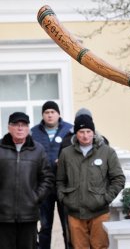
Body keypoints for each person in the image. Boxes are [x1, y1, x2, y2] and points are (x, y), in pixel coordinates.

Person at [57, 114, 125, 249]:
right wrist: (65, 199)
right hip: (75, 212)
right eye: (81, 132)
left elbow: (118, 178)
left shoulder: (107, 152)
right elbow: (60, 180)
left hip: (99, 212)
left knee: (100, 246)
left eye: (88, 131)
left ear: (93, 133)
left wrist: (105, 198)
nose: (85, 135)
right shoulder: (66, 153)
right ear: (76, 133)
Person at [0, 112, 54, 249]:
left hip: (29, 214)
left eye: (23, 125)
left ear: (28, 128)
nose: (19, 128)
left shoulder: (38, 150)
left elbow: (47, 178)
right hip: (3, 215)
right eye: (16, 125)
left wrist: (35, 197)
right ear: (9, 127)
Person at [31, 101, 73, 249]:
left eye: (52, 112)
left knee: (67, 226)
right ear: (42, 115)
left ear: (58, 114)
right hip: (43, 185)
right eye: (46, 112)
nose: (50, 115)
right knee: (45, 226)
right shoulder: (33, 132)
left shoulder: (70, 130)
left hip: (65, 185)